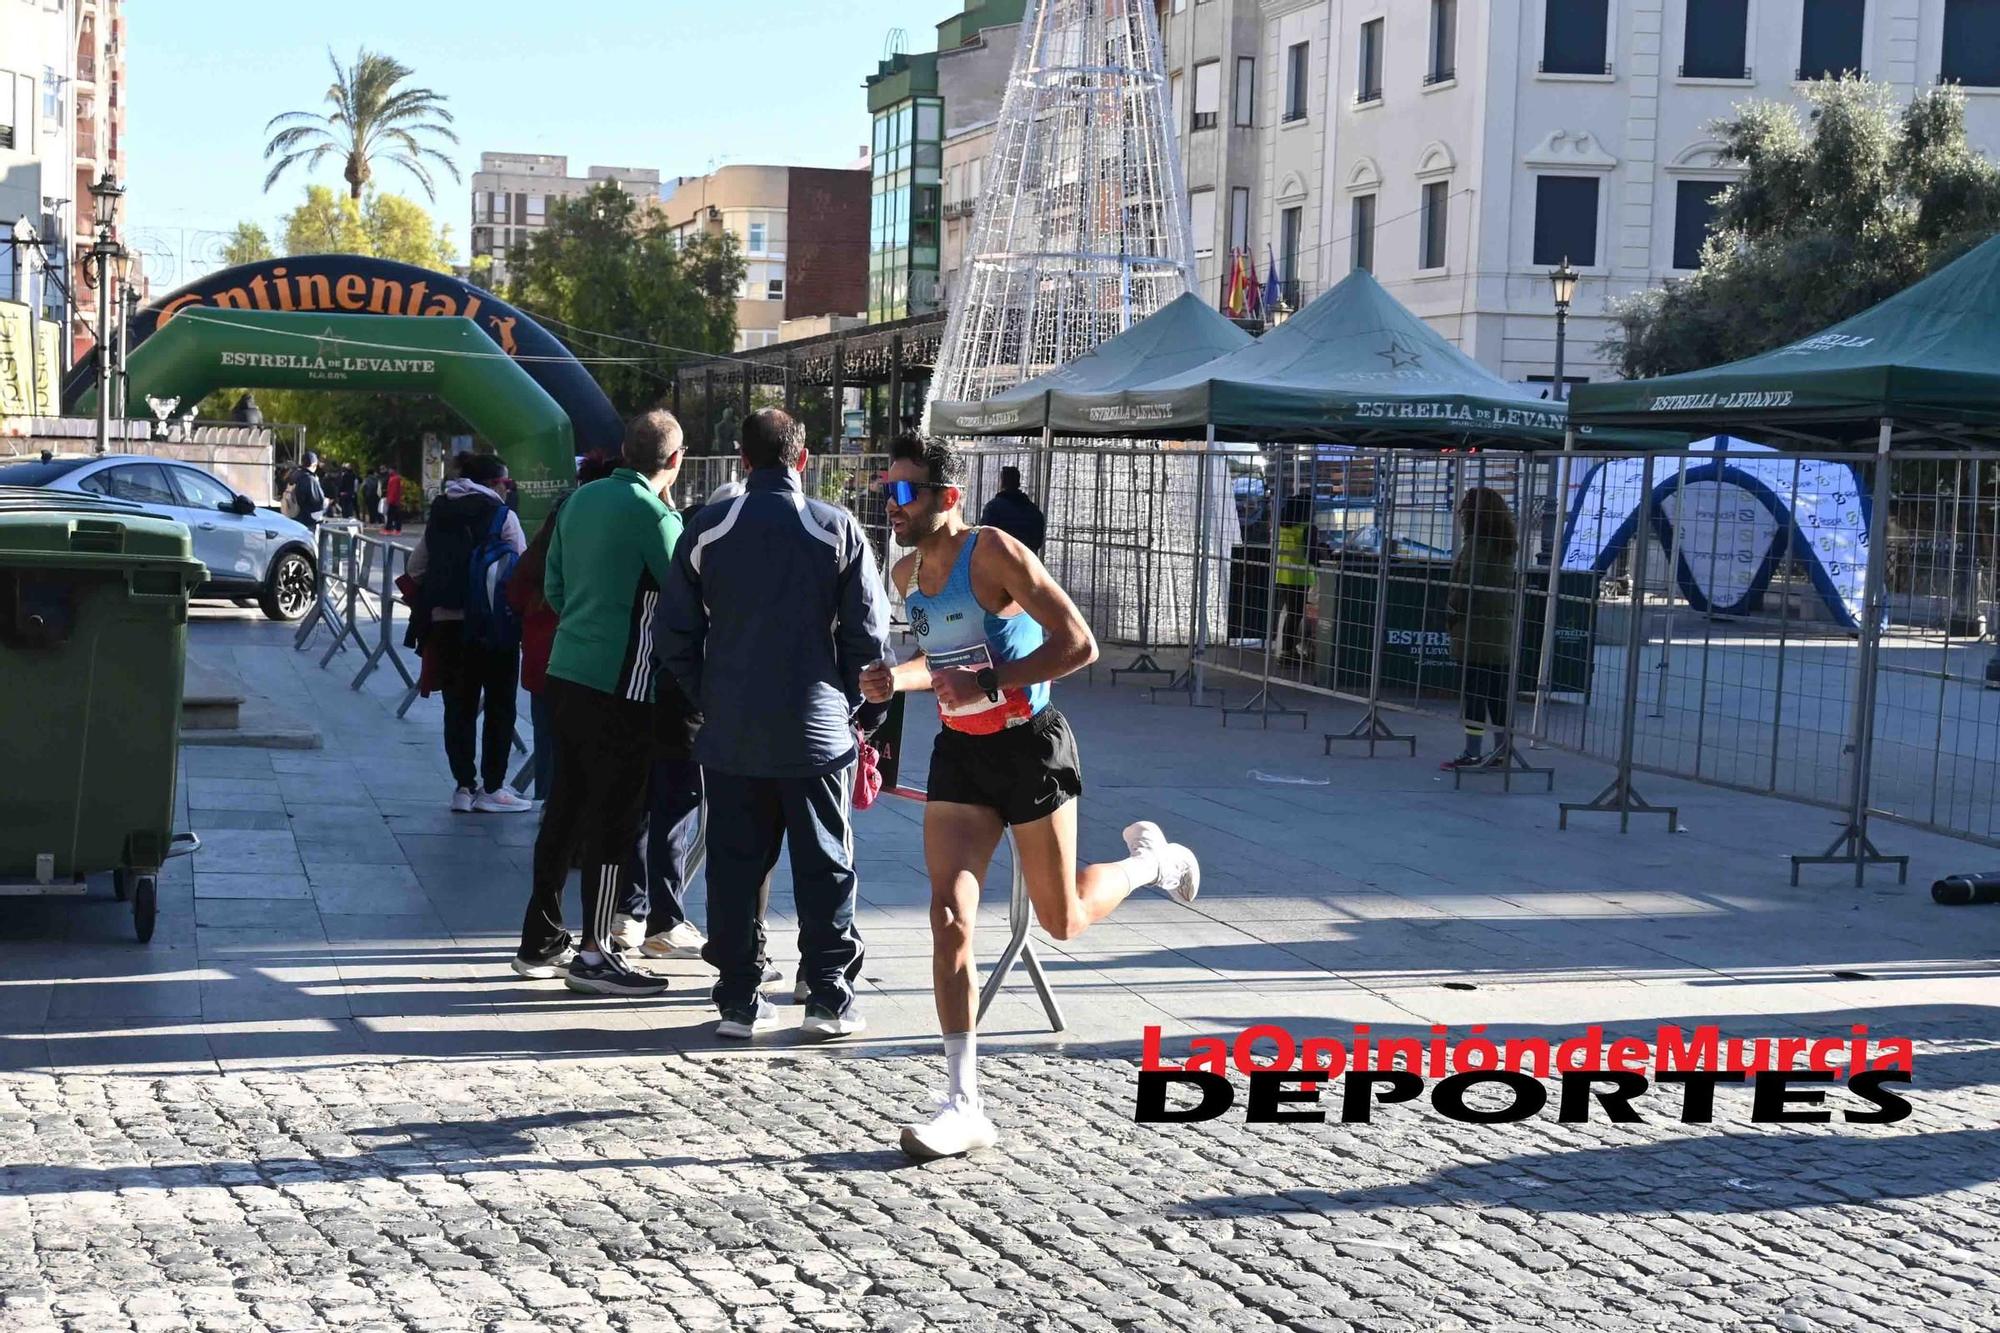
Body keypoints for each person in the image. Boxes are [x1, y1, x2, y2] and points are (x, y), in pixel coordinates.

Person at [861, 432, 1200, 1161]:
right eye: (885, 488)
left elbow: (1078, 643)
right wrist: (900, 680)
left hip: (1027, 745)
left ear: (947, 498)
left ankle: (1151, 861)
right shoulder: (904, 574)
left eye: (903, 491)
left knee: (1063, 918)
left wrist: (988, 683)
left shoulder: (995, 554)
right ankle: (961, 1101)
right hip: (960, 753)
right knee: (949, 914)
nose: (889, 503)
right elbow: (936, 661)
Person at [657, 408, 891, 1041]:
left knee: (736, 865)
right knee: (826, 864)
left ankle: (738, 996)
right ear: (804, 458)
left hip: (731, 732)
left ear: (741, 460)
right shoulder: (835, 528)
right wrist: (852, 708)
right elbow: (868, 640)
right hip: (816, 733)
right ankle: (829, 994)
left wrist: (706, 695)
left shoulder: (705, 527)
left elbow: (673, 632)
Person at [515, 411, 688, 996]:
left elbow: (555, 587)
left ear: (621, 450)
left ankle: (539, 938)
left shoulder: (580, 501)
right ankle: (595, 952)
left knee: (564, 805)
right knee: (615, 818)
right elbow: (685, 596)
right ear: (674, 461)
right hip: (624, 684)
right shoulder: (653, 513)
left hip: (566, 667)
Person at [407, 453, 533, 815]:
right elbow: (521, 571)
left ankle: (463, 787)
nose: (507, 490)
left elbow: (416, 568)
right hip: (493, 627)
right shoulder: (502, 516)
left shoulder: (442, 512)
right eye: (506, 483)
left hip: (447, 625)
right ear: (495, 483)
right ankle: (493, 788)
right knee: (499, 707)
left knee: (458, 709)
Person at [1440, 486, 1520, 771]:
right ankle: (1502, 749)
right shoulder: (1505, 542)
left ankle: (1472, 751)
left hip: (1474, 629)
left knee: (1474, 691)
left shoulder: (1478, 544)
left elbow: (1467, 584)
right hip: (1498, 627)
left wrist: (1452, 612)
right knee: (1497, 692)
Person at [978, 465, 1046, 555]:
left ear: (1002, 483)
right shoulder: (1033, 511)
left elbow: (984, 536)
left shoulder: (993, 508)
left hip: (998, 561)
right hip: (1025, 562)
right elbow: (1037, 542)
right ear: (1018, 483)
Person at [288, 453, 327, 528]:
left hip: (294, 517)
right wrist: (326, 503)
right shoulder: (310, 479)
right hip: (308, 520)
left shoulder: (294, 475)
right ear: (314, 465)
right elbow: (318, 502)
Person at [383, 469, 405, 534]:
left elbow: (394, 490)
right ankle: (396, 529)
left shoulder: (394, 479)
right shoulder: (394, 478)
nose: (389, 471)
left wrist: (390, 499)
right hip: (395, 499)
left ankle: (389, 529)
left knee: (391, 514)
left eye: (390, 470)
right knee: (395, 515)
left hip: (393, 500)